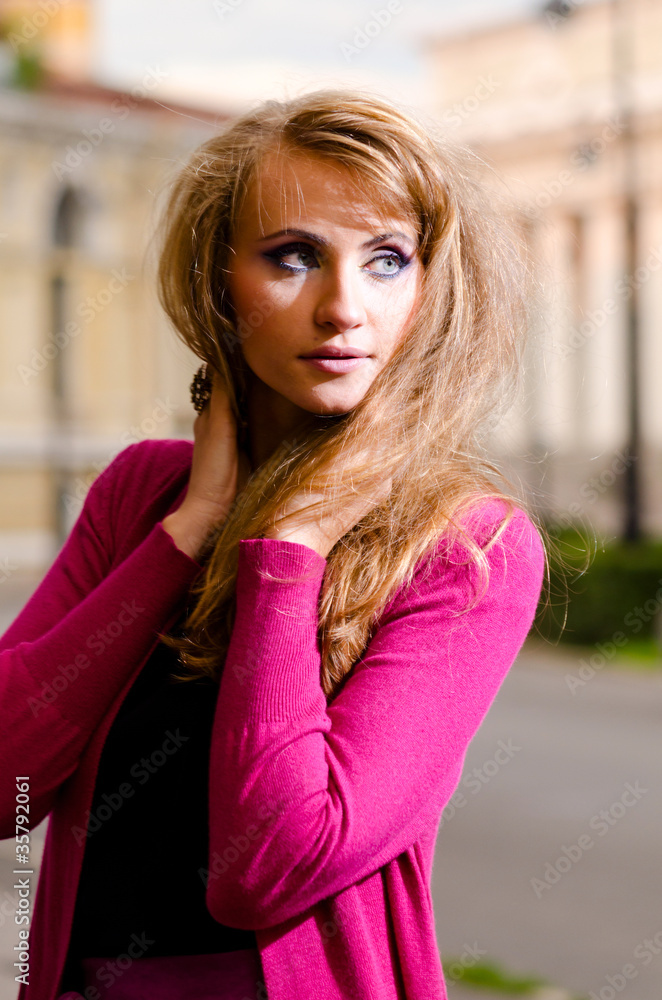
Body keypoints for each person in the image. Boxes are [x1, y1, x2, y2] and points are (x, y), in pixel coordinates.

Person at [0, 90, 545, 1000]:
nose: (343, 307)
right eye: (293, 256)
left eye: (386, 260)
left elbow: (275, 864)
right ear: (219, 280)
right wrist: (189, 529)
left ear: (430, 286)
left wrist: (290, 546)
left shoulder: (468, 546)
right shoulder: (145, 494)